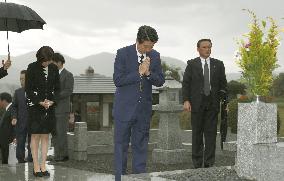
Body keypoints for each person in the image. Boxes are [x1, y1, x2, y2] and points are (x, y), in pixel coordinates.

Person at [113, 25, 165, 180]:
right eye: (146, 46)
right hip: (124, 110)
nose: (148, 49)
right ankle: (119, 177)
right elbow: (118, 80)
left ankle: (139, 178)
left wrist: (149, 73)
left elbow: (160, 81)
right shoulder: (122, 53)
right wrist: (139, 72)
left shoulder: (155, 55)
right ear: (138, 41)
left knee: (141, 147)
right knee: (120, 146)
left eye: (151, 46)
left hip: (143, 110)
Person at [182, 39, 227, 168]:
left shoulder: (219, 64)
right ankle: (197, 164)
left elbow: (223, 85)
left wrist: (225, 102)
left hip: (212, 105)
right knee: (196, 135)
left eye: (209, 47)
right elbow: (186, 83)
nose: (207, 49)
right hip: (196, 104)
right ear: (198, 49)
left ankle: (209, 164)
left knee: (211, 136)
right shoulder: (191, 64)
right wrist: (186, 100)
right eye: (204, 47)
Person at [26, 46, 60, 177]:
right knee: (35, 135)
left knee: (46, 136)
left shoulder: (54, 68)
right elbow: (28, 89)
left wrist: (52, 101)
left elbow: (57, 89)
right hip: (35, 106)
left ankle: (43, 166)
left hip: (49, 107)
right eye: (44, 61)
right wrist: (39, 101)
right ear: (39, 59)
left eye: (48, 61)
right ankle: (36, 167)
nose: (46, 63)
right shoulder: (31, 67)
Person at [52, 52, 74, 162]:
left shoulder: (68, 75)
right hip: (52, 109)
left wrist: (55, 95)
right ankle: (57, 155)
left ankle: (63, 155)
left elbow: (68, 91)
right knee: (55, 133)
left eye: (53, 63)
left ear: (59, 62)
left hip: (62, 109)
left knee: (61, 132)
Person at [11, 70, 32, 163]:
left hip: (33, 121)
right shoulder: (18, 92)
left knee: (32, 142)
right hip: (21, 121)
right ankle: (20, 159)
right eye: (20, 79)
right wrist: (14, 117)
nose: (21, 81)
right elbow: (14, 107)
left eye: (23, 79)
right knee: (21, 141)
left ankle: (31, 158)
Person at [0, 92, 16, 164]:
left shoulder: (12, 108)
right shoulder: (6, 110)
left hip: (8, 141)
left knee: (7, 163)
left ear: (4, 101)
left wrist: (15, 138)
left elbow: (15, 122)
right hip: (4, 141)